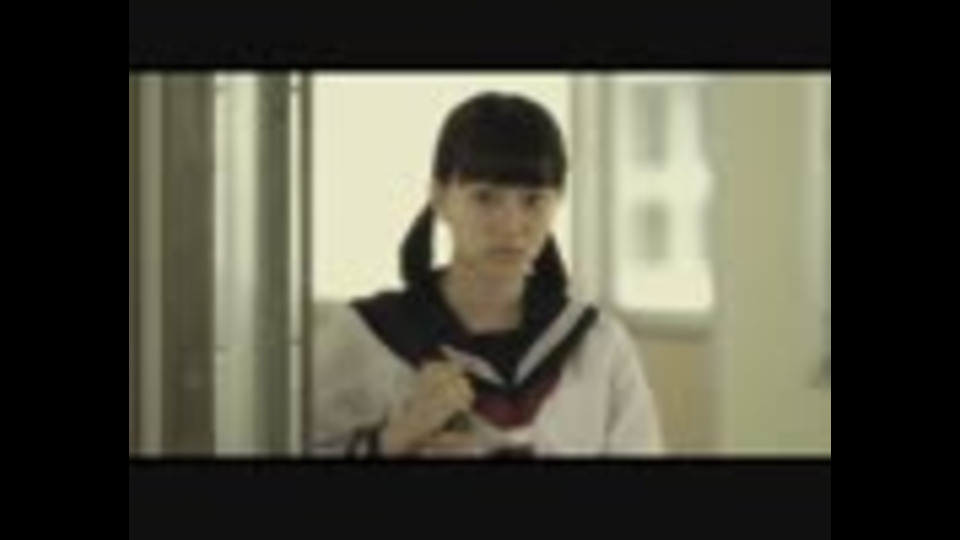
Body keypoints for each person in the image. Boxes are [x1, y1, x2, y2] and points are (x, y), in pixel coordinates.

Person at [309, 91, 664, 458]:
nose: (511, 225)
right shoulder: (365, 337)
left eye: (533, 200)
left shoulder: (599, 345)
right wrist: (394, 438)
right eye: (485, 197)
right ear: (439, 197)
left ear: (558, 201)